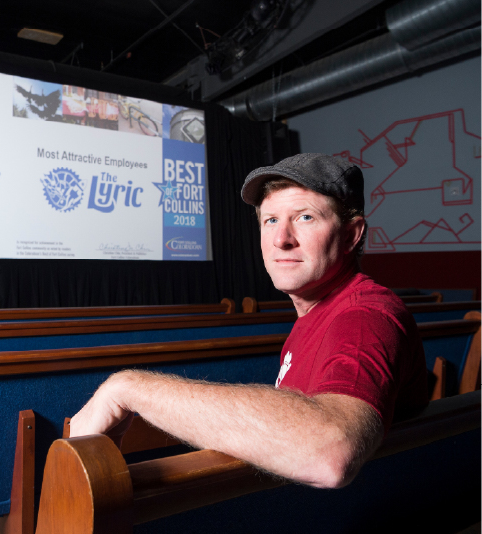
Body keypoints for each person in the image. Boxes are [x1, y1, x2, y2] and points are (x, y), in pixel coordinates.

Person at [69, 153, 428, 489]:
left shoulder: (365, 316)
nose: (281, 239)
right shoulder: (319, 311)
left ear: (352, 235)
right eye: (271, 220)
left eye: (305, 217)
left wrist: (128, 387)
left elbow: (329, 453)